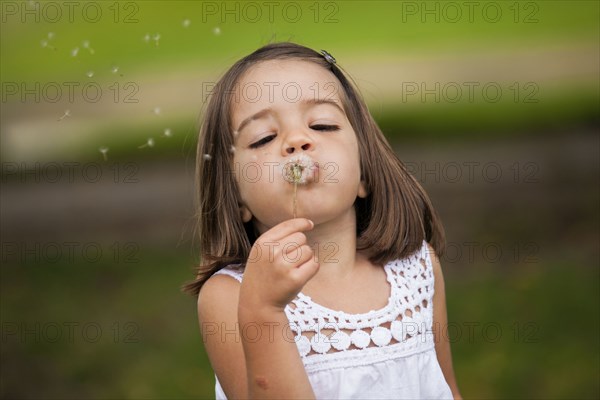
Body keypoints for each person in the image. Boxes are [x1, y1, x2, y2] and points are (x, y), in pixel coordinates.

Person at [183, 41, 462, 399]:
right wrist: (264, 310)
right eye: (265, 138)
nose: (297, 140)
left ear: (364, 173)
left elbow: (447, 388)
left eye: (323, 125)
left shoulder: (417, 268)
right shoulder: (231, 297)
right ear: (236, 196)